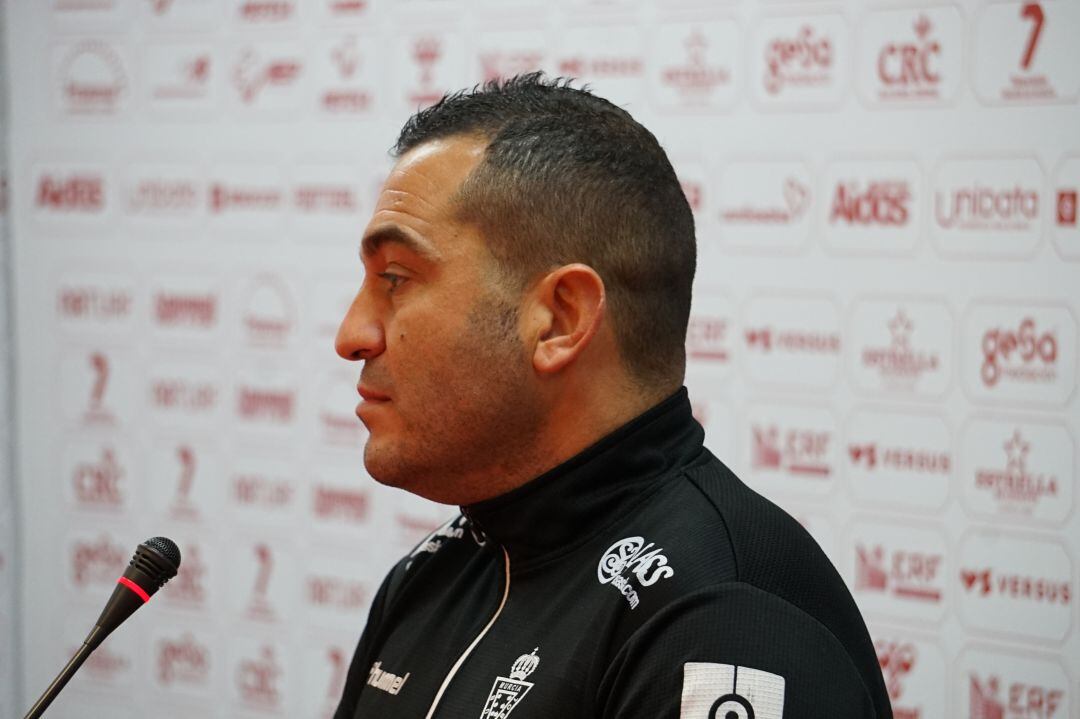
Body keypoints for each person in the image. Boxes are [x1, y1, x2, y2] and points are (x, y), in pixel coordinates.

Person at [332, 73, 891, 719]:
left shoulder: (723, 622)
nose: (352, 334)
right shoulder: (434, 575)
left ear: (561, 319)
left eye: (396, 278)